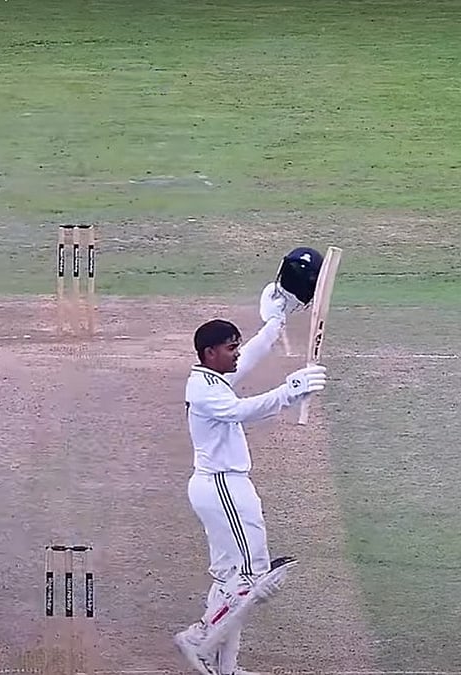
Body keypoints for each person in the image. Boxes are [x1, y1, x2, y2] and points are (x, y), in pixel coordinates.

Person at [173, 247, 330, 675]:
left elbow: (255, 354)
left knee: (230, 579)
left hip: (220, 485)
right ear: (209, 353)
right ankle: (199, 638)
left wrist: (276, 322)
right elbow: (241, 412)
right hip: (223, 485)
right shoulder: (205, 391)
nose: (237, 354)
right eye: (230, 348)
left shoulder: (213, 378)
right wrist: (289, 391)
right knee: (253, 576)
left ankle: (224, 666)